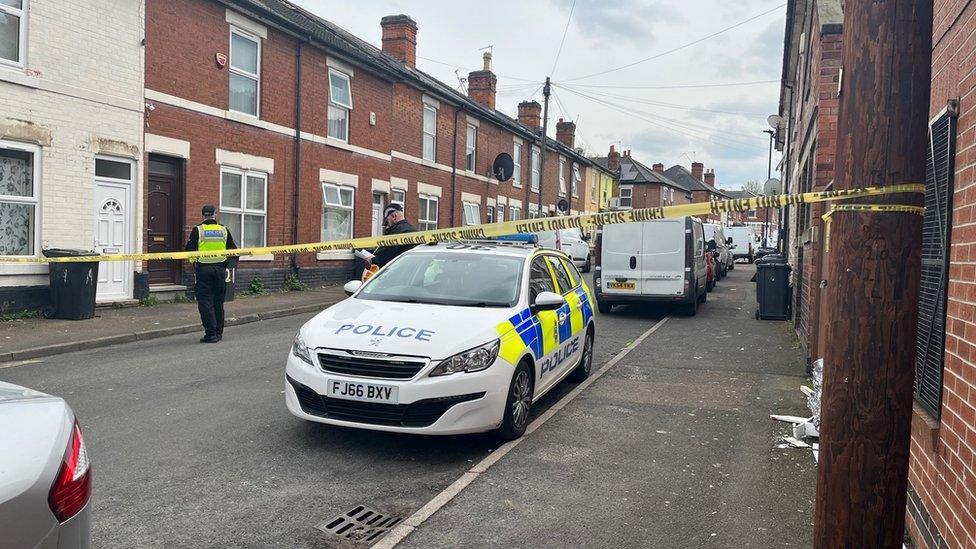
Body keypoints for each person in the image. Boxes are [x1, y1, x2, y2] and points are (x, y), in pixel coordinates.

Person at [185, 204, 237, 343]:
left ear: (203, 215)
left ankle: (211, 334)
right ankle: (219, 332)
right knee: (218, 302)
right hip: (220, 271)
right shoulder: (224, 230)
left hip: (204, 271)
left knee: (205, 302)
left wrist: (194, 262)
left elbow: (189, 250)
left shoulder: (198, 230)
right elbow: (233, 250)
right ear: (215, 214)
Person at [371, 203, 416, 268]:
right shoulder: (413, 230)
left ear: (394, 216)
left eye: (387, 221)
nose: (387, 225)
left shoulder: (396, 232)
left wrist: (372, 259)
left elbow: (387, 256)